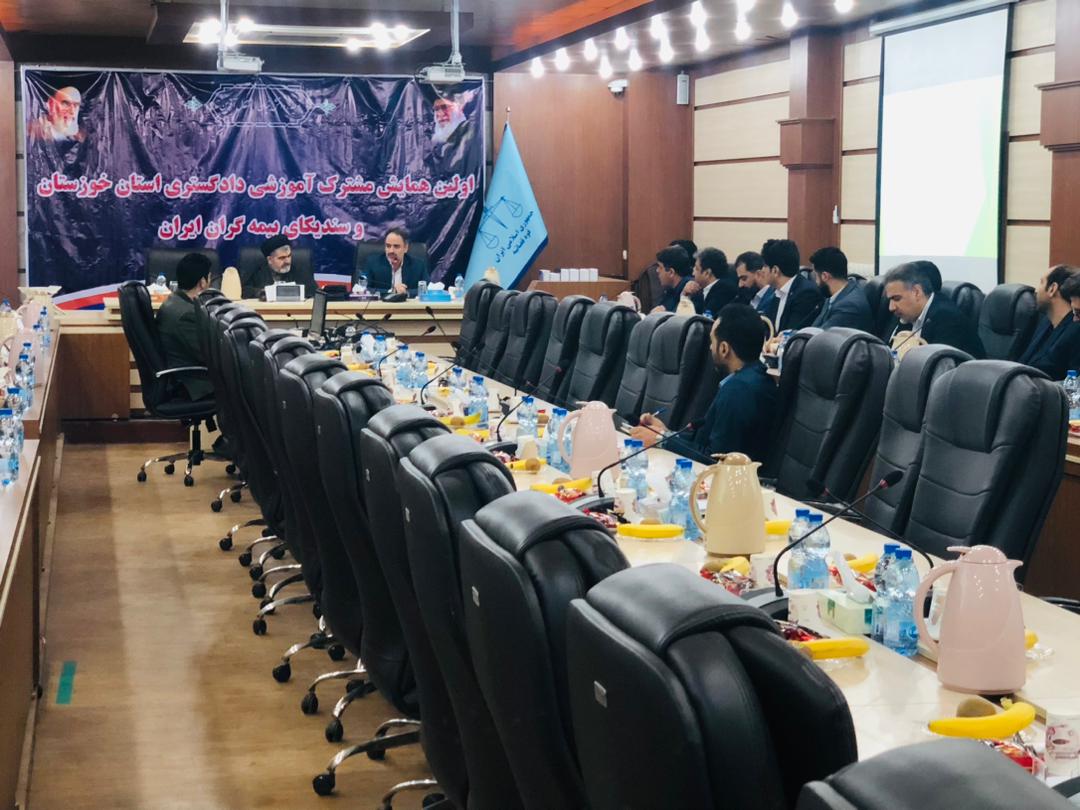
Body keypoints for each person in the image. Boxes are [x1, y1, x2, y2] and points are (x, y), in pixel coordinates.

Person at [631, 303, 777, 462]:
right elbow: (704, 442)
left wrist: (660, 440)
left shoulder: (739, 390)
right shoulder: (755, 379)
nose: (710, 347)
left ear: (724, 349)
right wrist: (665, 433)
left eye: (712, 341)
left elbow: (716, 459)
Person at [883, 262, 986, 358]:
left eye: (896, 298)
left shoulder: (948, 319)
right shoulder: (906, 314)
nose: (891, 307)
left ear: (917, 292)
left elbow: (939, 366)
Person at [156, 253, 213, 401]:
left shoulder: (174, 301)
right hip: (194, 385)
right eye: (210, 278)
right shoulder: (187, 314)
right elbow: (207, 356)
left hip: (184, 377)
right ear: (202, 282)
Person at [1016, 266, 1080, 380]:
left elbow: (1073, 382)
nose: (1036, 291)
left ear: (1052, 289)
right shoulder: (1045, 322)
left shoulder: (1075, 331)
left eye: (1041, 282)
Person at [761, 238, 823, 331]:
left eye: (765, 266)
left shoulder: (807, 294)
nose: (762, 270)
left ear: (775, 270)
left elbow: (793, 333)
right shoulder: (775, 292)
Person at [809, 246, 874, 332]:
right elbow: (814, 329)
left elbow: (822, 335)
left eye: (816, 276)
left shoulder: (849, 306)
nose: (816, 282)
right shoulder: (836, 294)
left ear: (825, 276)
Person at [355, 227, 430, 296]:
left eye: (396, 246)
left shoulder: (418, 265)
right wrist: (391, 291)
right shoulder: (372, 263)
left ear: (405, 248)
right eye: (388, 246)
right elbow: (362, 288)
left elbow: (428, 289)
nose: (391, 251)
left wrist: (405, 292)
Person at [242, 235, 316, 299]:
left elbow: (314, 292)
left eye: (289, 256)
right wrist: (260, 292)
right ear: (269, 260)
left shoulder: (299, 270)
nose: (287, 261)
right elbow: (243, 290)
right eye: (282, 258)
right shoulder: (257, 271)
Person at [684, 247, 738, 317]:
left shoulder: (723, 290)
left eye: (696, 269)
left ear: (707, 273)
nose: (693, 273)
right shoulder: (701, 289)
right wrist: (686, 295)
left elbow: (705, 319)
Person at [651, 245, 700, 314]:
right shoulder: (670, 289)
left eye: (660, 267)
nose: (657, 270)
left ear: (671, 272)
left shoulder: (690, 289)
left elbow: (680, 318)